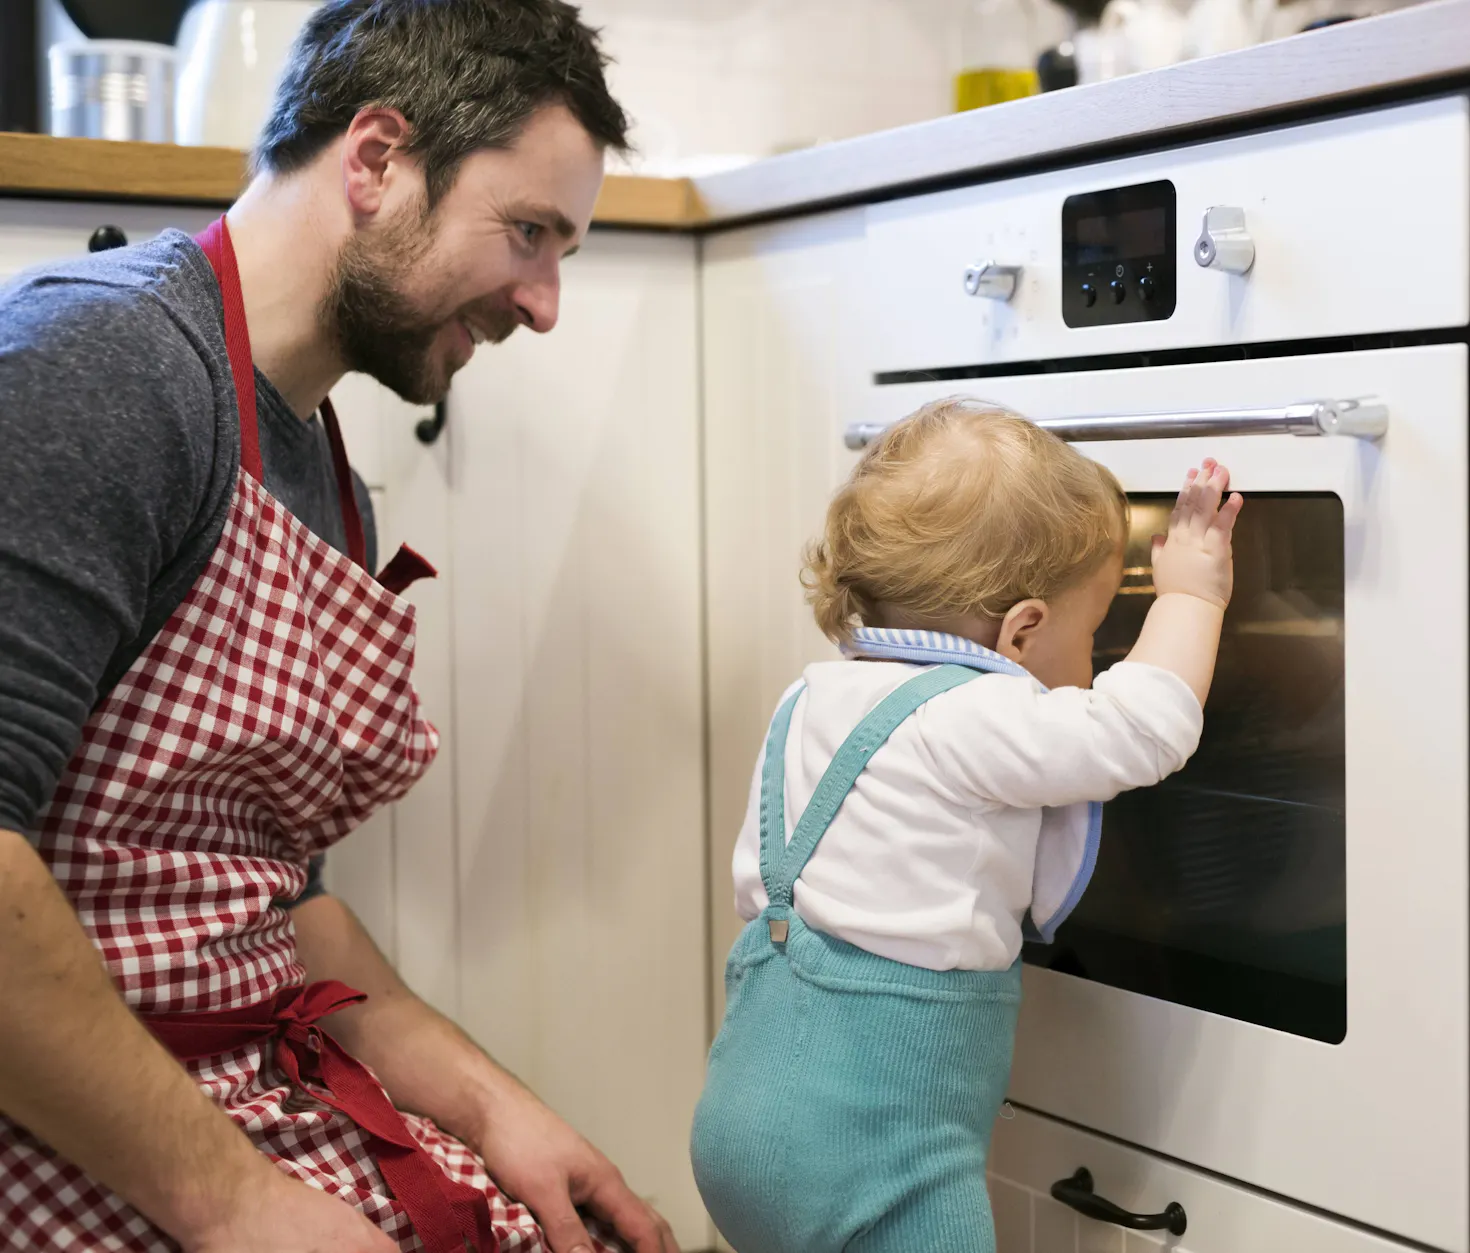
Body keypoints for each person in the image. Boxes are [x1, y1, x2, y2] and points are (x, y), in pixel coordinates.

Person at [0, 2, 678, 1250]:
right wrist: (237, 1202)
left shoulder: (322, 469)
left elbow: (279, 898)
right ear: (374, 160)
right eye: (529, 232)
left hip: (232, 1081)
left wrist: (498, 1107)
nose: (544, 304)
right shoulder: (105, 368)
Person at [689, 398, 1241, 1251]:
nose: (1096, 659)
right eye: (1095, 632)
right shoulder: (972, 713)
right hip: (877, 1159)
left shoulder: (810, 693)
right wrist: (1190, 593)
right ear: (1022, 632)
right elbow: (1140, 727)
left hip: (739, 1126)